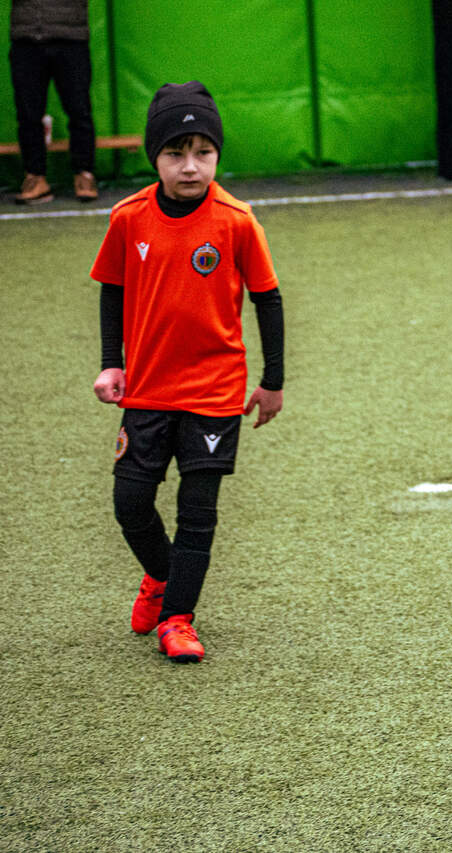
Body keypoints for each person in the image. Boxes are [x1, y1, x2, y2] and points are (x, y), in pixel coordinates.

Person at [91, 81, 284, 663]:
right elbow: (112, 289)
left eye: (203, 152)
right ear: (155, 158)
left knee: (197, 514)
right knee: (130, 504)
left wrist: (273, 381)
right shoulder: (129, 218)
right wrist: (111, 362)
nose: (191, 166)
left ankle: (178, 619)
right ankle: (161, 577)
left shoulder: (237, 220)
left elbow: (267, 298)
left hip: (215, 392)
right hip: (148, 388)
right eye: (176, 153)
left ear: (217, 155)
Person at [8, 0, 98, 203]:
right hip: (26, 38)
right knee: (28, 114)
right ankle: (35, 177)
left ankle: (84, 174)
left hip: (71, 38)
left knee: (79, 110)